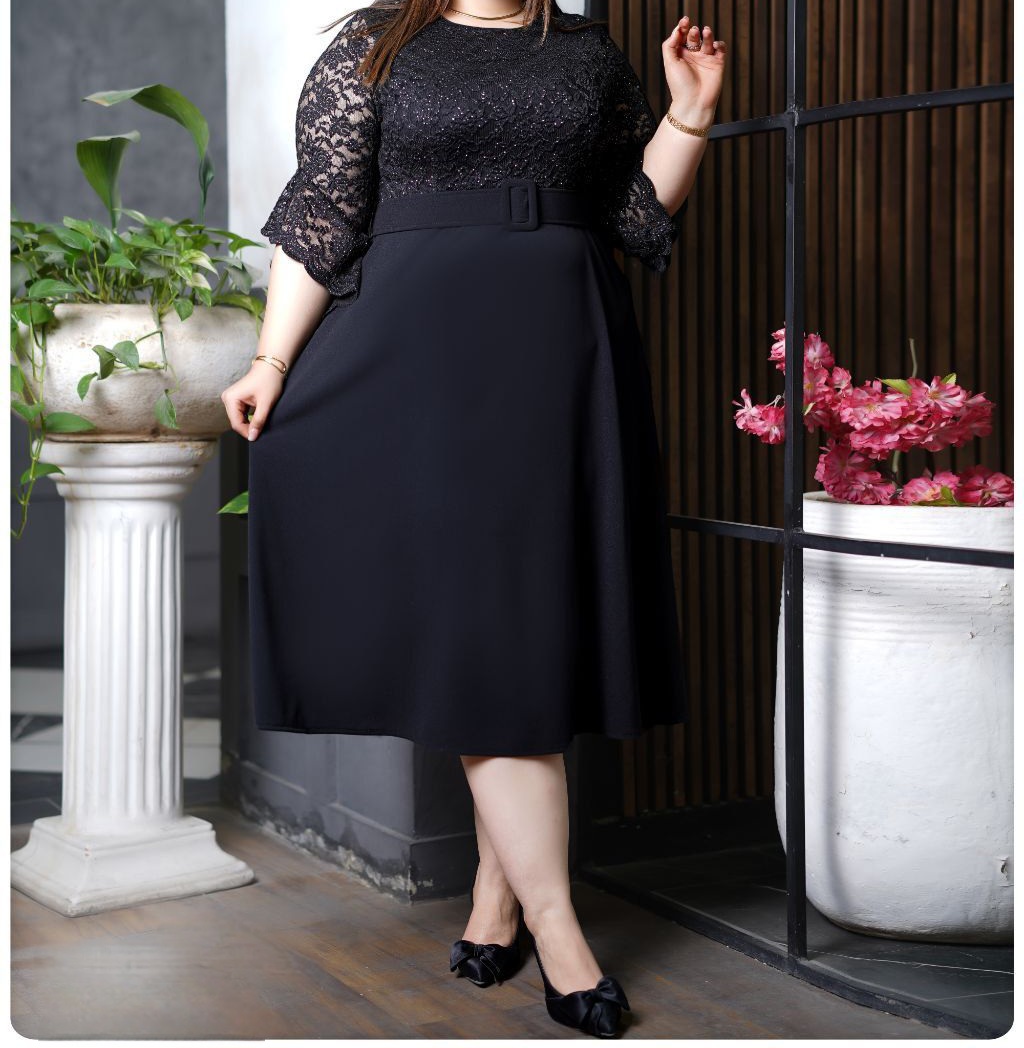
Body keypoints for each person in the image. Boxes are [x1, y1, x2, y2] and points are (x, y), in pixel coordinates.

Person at [221, 0, 725, 1037]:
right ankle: (560, 930)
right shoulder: (377, 44)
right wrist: (270, 361)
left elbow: (633, 216)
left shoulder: (584, 51)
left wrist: (690, 115)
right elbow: (323, 212)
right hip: (424, 366)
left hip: (564, 356)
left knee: (527, 630)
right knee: (488, 636)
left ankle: (497, 901)